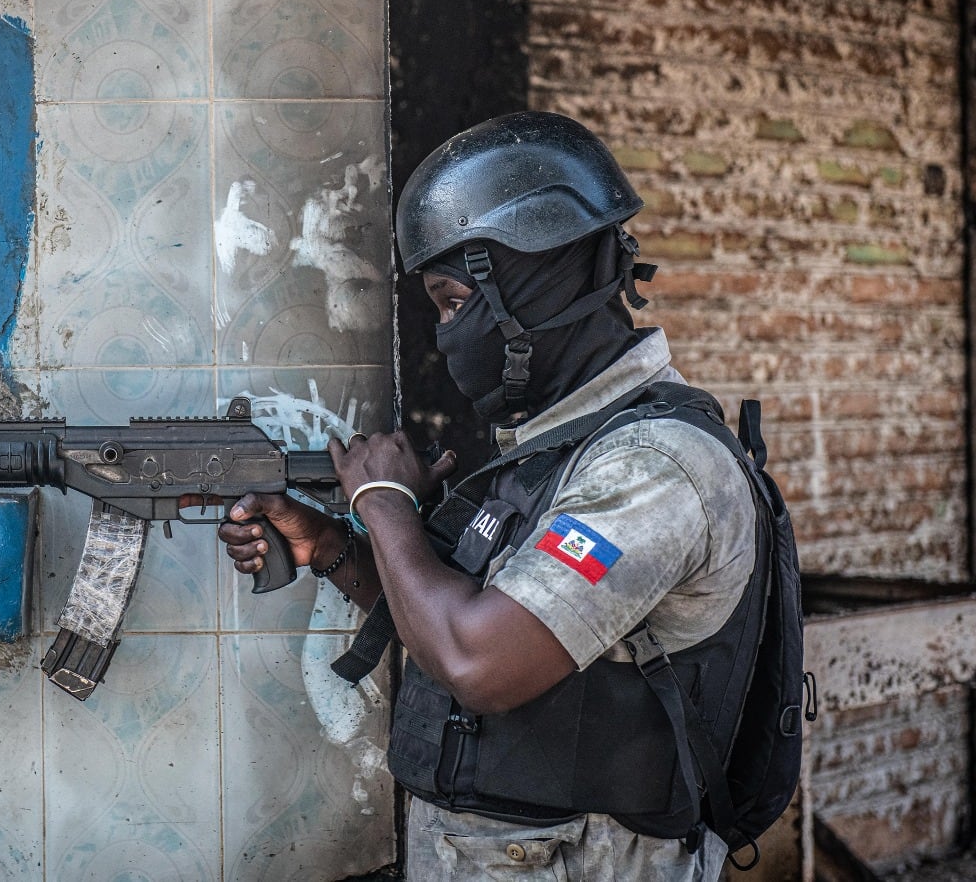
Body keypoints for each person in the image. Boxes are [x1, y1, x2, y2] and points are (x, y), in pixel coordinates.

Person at [218, 111, 760, 881]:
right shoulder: (560, 450)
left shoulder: (651, 468)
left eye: (452, 301)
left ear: (535, 282)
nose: (447, 335)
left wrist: (382, 500)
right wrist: (332, 546)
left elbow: (478, 658)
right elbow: (453, 614)